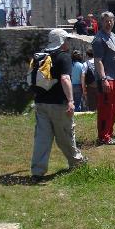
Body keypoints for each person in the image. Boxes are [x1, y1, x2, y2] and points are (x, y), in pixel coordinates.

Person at [31, 29, 87, 180]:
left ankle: (37, 171)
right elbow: (65, 79)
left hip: (41, 103)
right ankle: (76, 162)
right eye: (67, 40)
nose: (69, 43)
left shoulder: (40, 56)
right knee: (66, 135)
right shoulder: (63, 57)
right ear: (62, 42)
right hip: (59, 103)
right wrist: (70, 100)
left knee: (42, 138)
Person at [92, 11, 115, 145]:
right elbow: (98, 61)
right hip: (107, 79)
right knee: (106, 108)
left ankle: (109, 132)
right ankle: (103, 137)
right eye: (106, 21)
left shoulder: (113, 37)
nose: (109, 23)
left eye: (111, 20)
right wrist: (103, 78)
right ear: (101, 22)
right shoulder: (99, 39)